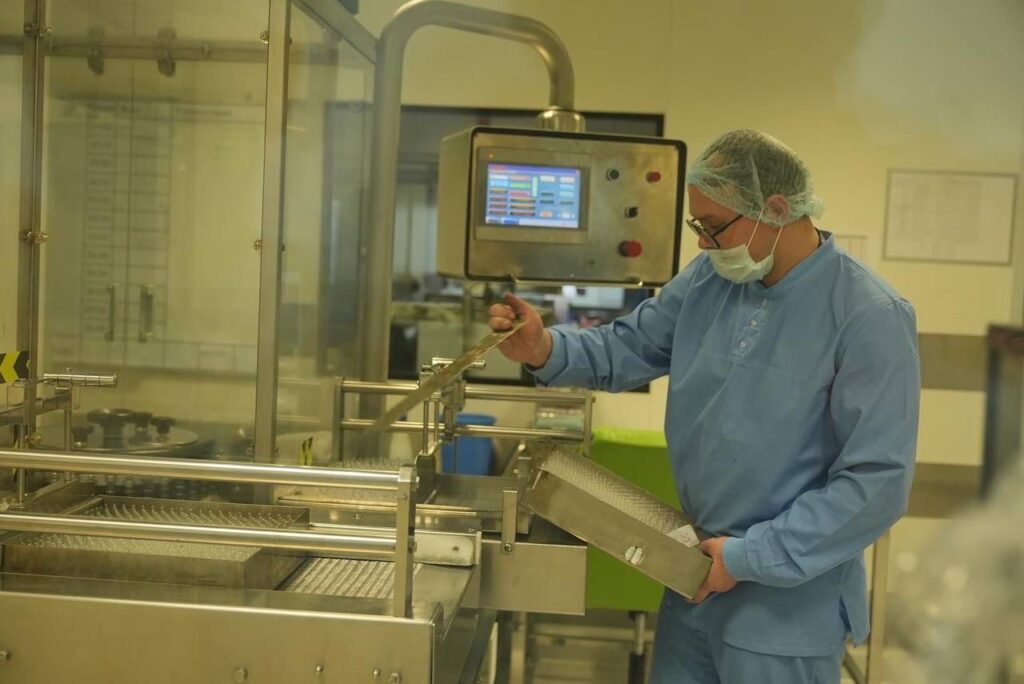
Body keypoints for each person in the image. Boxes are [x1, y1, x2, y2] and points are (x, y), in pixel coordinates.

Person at [488, 129, 921, 684]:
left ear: (777, 209)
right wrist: (545, 349)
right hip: (695, 576)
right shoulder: (711, 280)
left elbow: (876, 483)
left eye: (714, 227)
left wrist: (747, 557)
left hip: (784, 613)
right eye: (699, 227)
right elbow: (630, 346)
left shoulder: (869, 316)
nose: (704, 244)